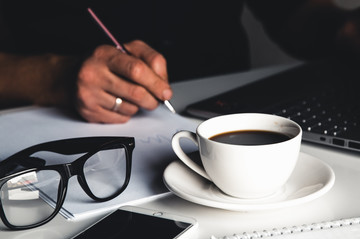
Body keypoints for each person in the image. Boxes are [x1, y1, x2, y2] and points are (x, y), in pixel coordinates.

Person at [0, 1, 359, 123]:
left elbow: (292, 12)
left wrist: (344, 29)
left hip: (233, 106)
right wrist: (52, 77)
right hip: (61, 139)